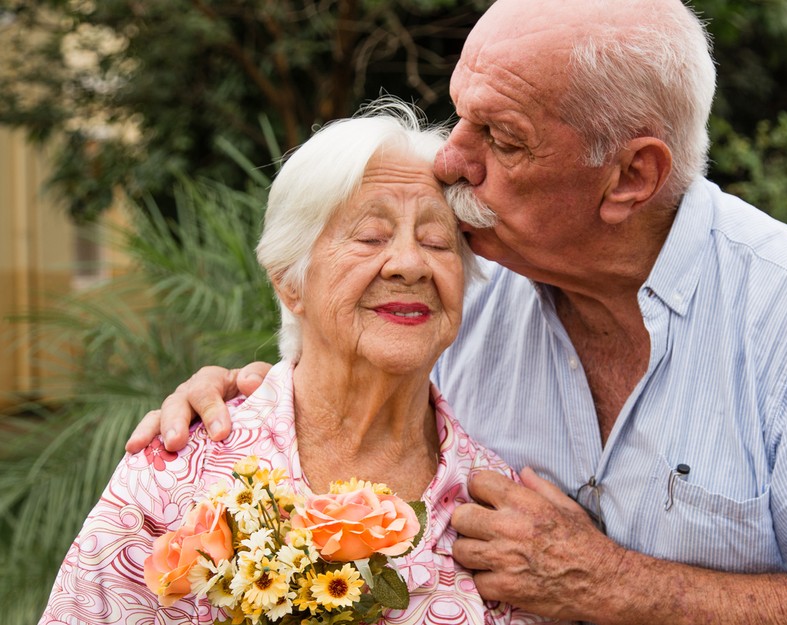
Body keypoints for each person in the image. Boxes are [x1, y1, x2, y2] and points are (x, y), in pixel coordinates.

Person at [126, 0, 787, 623]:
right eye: (460, 114)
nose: (451, 159)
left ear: (630, 177)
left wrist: (610, 582)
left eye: (502, 138)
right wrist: (236, 400)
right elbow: (343, 401)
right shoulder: (466, 287)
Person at [40, 102, 564, 624]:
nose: (410, 264)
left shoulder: (501, 519)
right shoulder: (180, 471)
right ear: (290, 280)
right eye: (370, 237)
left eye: (436, 241)